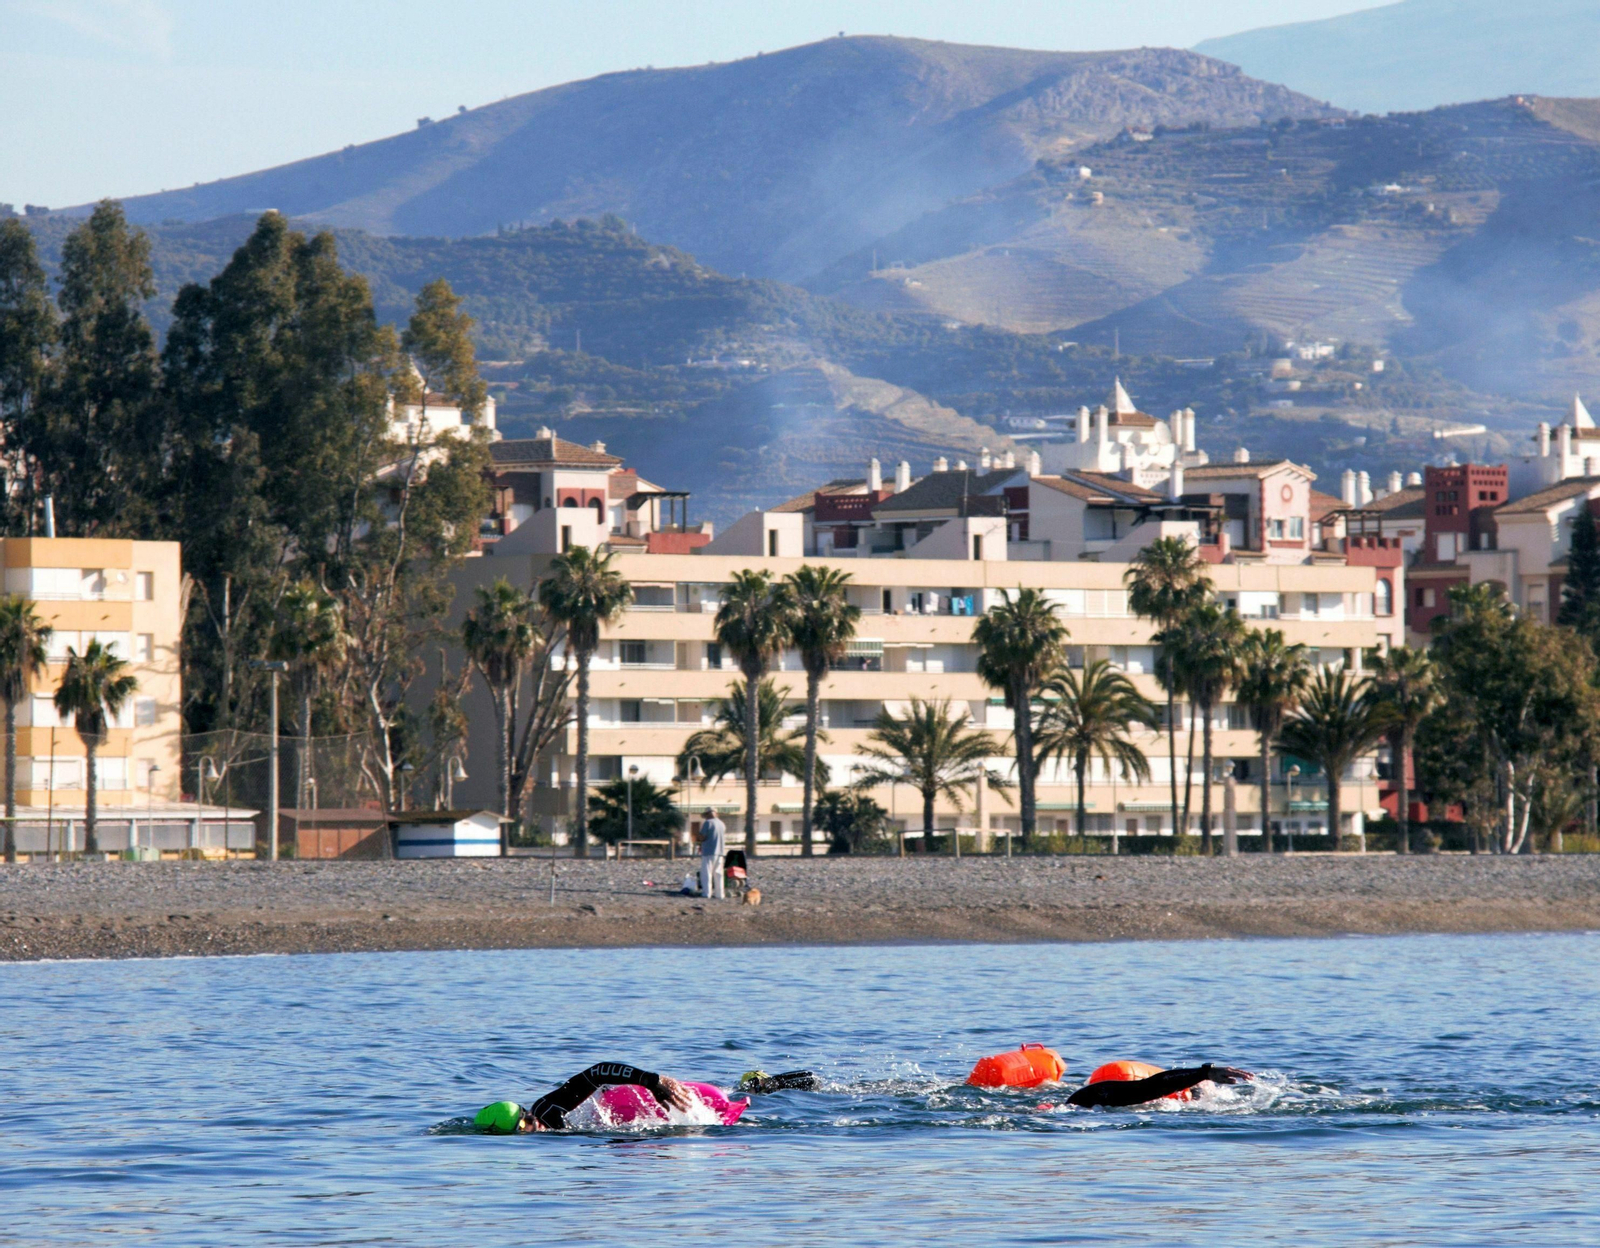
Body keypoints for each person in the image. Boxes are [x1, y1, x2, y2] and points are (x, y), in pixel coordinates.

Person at [475, 1062, 694, 1133]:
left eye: (526, 1116)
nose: (533, 1122)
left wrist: (651, 1080)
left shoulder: (546, 1109)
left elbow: (596, 1073)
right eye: (523, 1126)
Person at [1064, 1063, 1254, 1109]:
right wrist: (1204, 1074)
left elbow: (1147, 1088)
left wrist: (1204, 1073)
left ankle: (1199, 1086)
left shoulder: (1080, 1100)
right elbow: (1148, 1089)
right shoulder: (1081, 1100)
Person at [694, 806, 726, 900]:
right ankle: (720, 894)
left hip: (709, 852)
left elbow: (702, 837)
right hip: (720, 852)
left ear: (707, 814)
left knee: (707, 873)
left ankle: (707, 893)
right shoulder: (722, 824)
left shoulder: (708, 823)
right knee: (719, 874)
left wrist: (698, 836)